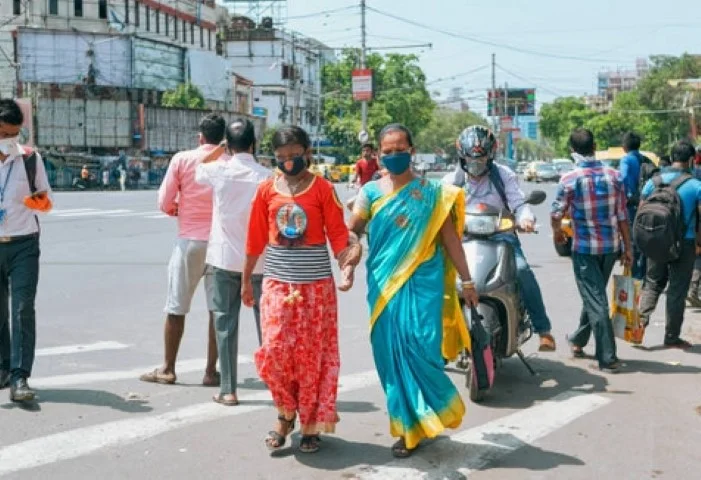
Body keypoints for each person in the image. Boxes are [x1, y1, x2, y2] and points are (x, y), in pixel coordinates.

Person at [347, 123, 478, 458]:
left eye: (399, 149)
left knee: (423, 352)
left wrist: (468, 281)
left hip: (424, 287)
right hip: (384, 288)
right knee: (390, 357)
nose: (393, 155)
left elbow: (450, 241)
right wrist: (349, 259)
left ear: (412, 150)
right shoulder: (370, 193)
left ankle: (426, 417)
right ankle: (408, 428)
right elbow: (352, 234)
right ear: (377, 155)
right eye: (387, 151)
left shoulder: (433, 194)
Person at [242, 125, 359, 454]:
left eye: (294, 156)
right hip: (277, 283)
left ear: (308, 154)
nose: (288, 162)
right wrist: (245, 280)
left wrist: (346, 267)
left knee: (311, 359)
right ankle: (285, 412)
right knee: (275, 352)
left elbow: (338, 235)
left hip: (315, 289)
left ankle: (309, 424)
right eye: (281, 157)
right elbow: (254, 239)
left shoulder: (323, 188)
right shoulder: (266, 190)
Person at [443, 126, 556, 352]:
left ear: (490, 156)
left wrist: (525, 219)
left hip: (501, 236)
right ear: (462, 156)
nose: (476, 164)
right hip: (461, 239)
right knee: (435, 276)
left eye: (481, 159)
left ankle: (543, 330)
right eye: (471, 159)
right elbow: (439, 207)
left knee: (523, 270)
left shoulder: (504, 175)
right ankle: (438, 337)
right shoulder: (451, 180)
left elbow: (519, 203)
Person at [140, 114, 223, 387]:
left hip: (189, 241)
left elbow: (164, 200)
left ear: (200, 136)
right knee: (217, 310)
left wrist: (177, 210)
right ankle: (211, 372)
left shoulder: (182, 159)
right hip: (220, 244)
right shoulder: (228, 162)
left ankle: (168, 368)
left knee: (176, 307)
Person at [195, 118, 273, 406]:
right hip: (261, 262)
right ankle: (276, 385)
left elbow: (199, 166)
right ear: (253, 144)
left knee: (225, 324)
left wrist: (221, 150)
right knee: (267, 326)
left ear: (228, 144)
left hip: (224, 260)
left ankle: (228, 389)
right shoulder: (267, 177)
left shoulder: (219, 171)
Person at [552, 128, 631, 374]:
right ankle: (578, 340)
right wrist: (628, 248)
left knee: (596, 300)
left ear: (572, 151)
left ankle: (608, 357)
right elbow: (622, 216)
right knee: (594, 296)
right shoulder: (615, 176)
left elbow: (556, 214)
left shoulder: (569, 179)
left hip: (585, 249)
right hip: (610, 248)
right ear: (595, 146)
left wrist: (558, 233)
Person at [0, 99, 53, 402]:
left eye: (15, 135)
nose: (11, 141)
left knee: (22, 310)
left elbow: (44, 197)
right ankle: (3, 369)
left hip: (24, 244)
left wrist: (39, 202)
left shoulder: (30, 158)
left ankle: (20, 378)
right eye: (6, 134)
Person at [639, 140, 701, 348]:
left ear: (672, 157)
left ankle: (638, 327)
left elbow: (641, 211)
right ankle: (671, 336)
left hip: (655, 240)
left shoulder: (653, 182)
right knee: (677, 289)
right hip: (685, 242)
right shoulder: (695, 185)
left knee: (653, 283)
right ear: (691, 160)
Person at [619, 132, 646, 280]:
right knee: (642, 238)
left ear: (624, 146)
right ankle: (642, 273)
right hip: (645, 204)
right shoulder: (644, 159)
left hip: (631, 205)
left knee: (630, 239)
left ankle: (634, 274)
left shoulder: (626, 160)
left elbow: (622, 178)